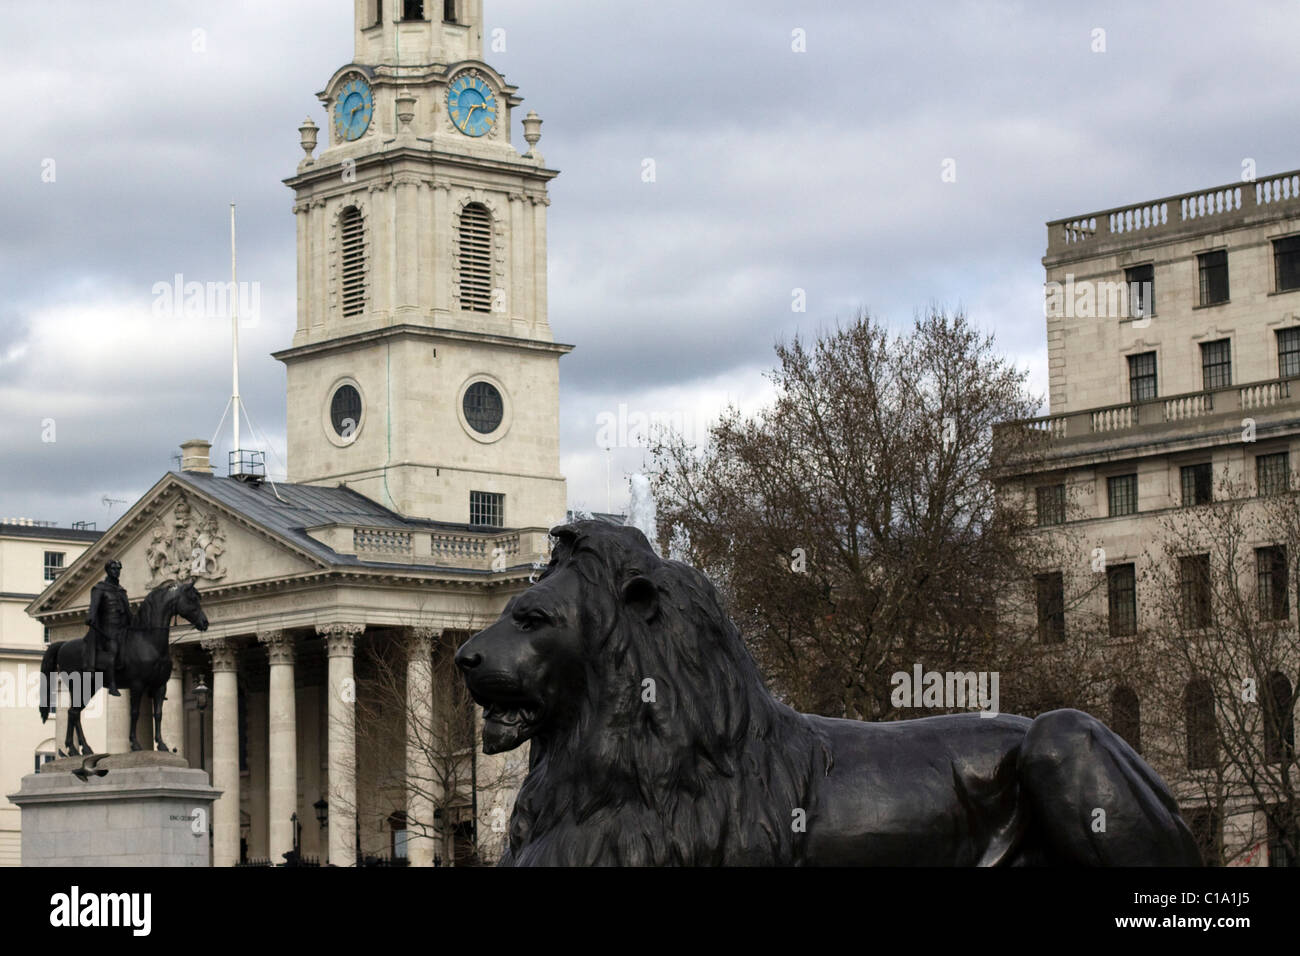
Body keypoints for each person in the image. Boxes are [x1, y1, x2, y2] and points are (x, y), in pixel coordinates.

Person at [86, 559, 130, 697]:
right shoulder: (99, 589)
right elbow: (93, 608)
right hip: (107, 630)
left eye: (118, 569)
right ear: (107, 570)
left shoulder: (121, 591)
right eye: (113, 569)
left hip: (123, 629)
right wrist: (91, 617)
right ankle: (112, 684)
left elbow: (128, 612)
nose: (116, 572)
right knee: (113, 650)